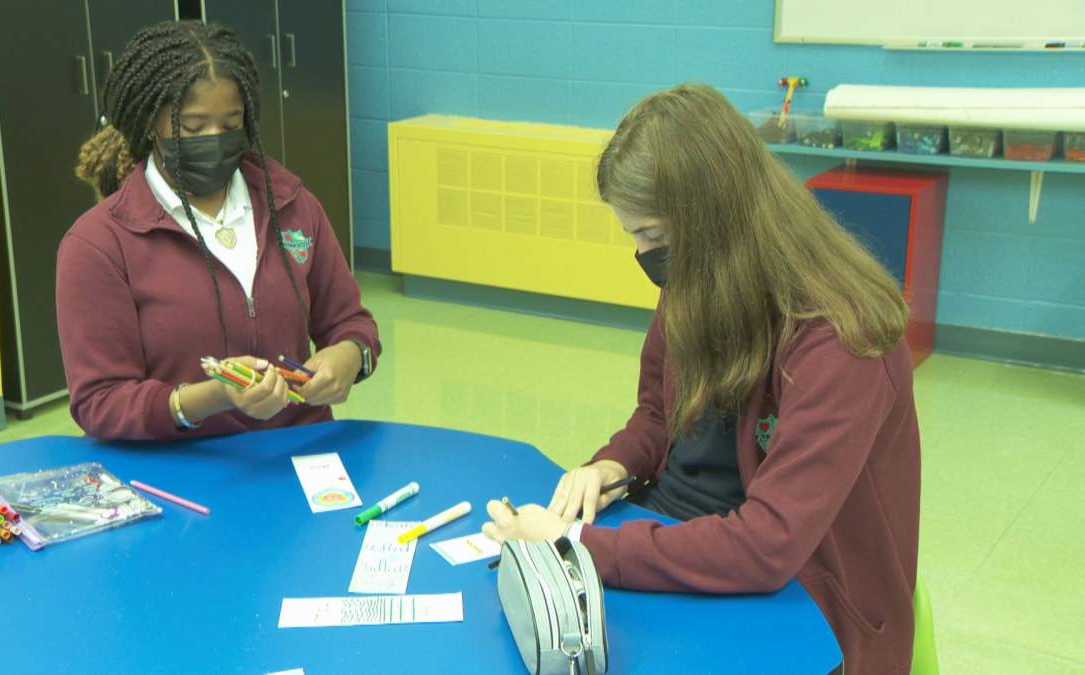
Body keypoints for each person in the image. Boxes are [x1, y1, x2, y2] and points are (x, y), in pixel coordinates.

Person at [483, 84, 920, 673]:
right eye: (634, 235)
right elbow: (660, 415)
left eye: (653, 238)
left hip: (798, 598)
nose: (642, 255)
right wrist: (614, 466)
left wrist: (574, 547)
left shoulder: (842, 337)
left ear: (714, 222)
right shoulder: (704, 274)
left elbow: (769, 544)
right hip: (679, 536)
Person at [60, 20, 379, 441]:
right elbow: (99, 403)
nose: (214, 139)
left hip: (296, 454)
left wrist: (348, 357)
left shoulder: (291, 203)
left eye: (231, 125)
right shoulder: (99, 244)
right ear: (151, 122)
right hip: (180, 469)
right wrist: (215, 397)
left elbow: (351, 323)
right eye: (193, 127)